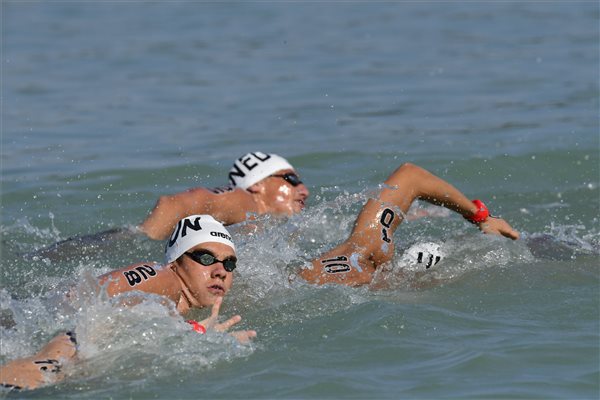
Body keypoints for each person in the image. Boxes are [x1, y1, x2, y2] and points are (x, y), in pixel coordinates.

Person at [1, 215, 256, 391]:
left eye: (229, 263)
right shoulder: (162, 277)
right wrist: (50, 361)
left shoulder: (173, 305)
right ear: (175, 262)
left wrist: (195, 334)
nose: (221, 271)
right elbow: (85, 309)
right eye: (206, 258)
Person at [300, 162, 519, 286]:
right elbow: (411, 175)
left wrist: (481, 217)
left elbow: (411, 176)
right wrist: (481, 217)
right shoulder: (365, 255)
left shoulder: (368, 248)